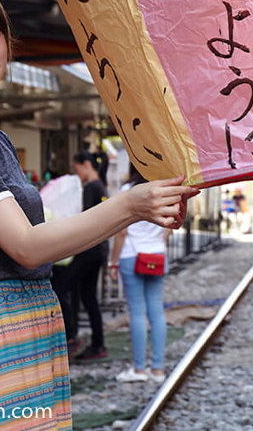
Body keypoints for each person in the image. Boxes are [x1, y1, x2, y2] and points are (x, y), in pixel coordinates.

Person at [0, 0, 196, 429]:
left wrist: (147, 204)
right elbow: (26, 246)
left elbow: (44, 242)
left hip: (24, 324)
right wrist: (130, 206)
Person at [110, 165, 170, 384]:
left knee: (137, 312)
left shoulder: (128, 191)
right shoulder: (163, 190)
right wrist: (157, 244)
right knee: (157, 311)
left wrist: (113, 262)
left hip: (131, 255)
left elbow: (122, 231)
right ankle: (158, 369)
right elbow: (170, 226)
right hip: (156, 255)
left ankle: (139, 369)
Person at [65, 151, 109, 361]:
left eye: (76, 169)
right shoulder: (101, 185)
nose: (77, 174)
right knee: (89, 298)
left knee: (60, 288)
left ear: (85, 165)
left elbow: (86, 220)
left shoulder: (91, 188)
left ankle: (71, 337)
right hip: (98, 250)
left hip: (88, 250)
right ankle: (98, 343)